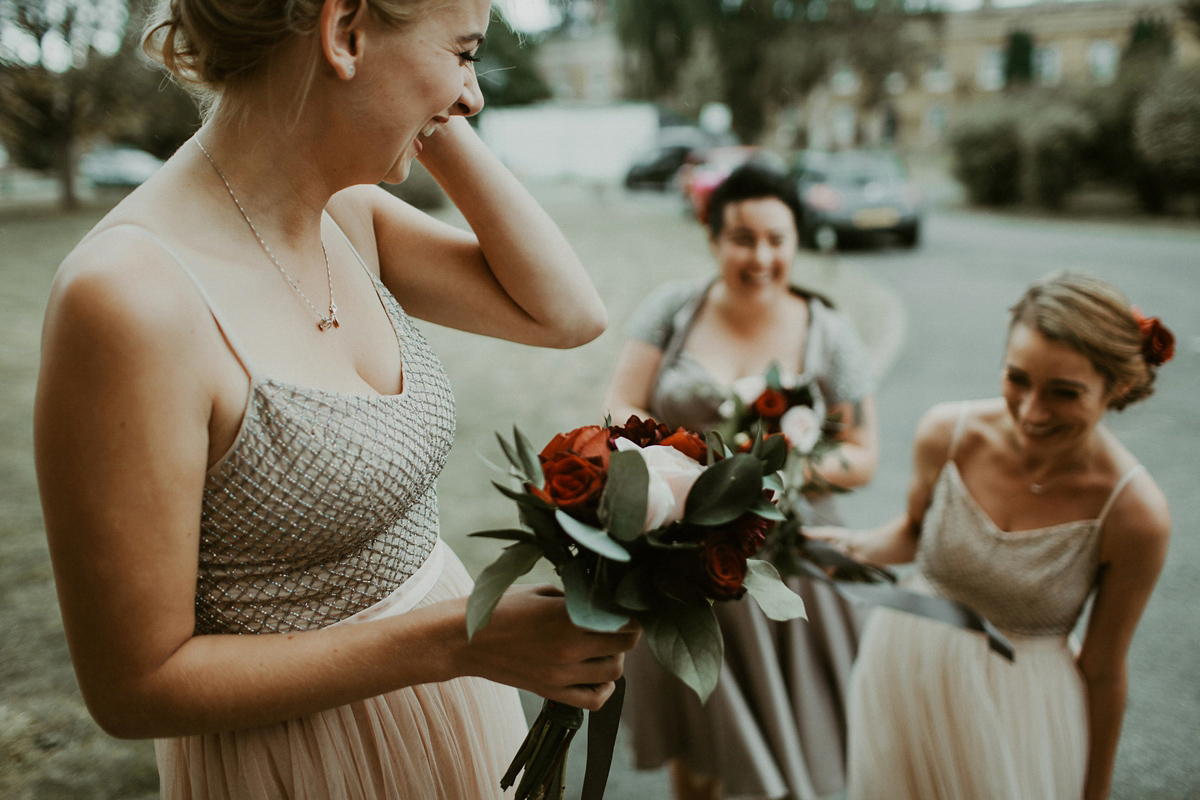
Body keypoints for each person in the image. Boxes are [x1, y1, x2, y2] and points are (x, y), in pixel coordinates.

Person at [32, 0, 641, 797]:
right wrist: (457, 643)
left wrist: (427, 102)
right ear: (345, 31)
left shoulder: (345, 215)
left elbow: (565, 314)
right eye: (466, 53)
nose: (475, 96)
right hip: (302, 763)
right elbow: (133, 687)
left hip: (455, 712)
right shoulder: (129, 299)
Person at [813, 272, 1172, 800]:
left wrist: (1095, 790)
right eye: (1017, 378)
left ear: (1116, 387)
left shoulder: (1135, 513)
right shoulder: (947, 434)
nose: (1031, 411)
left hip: (1020, 707)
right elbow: (915, 533)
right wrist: (844, 548)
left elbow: (1102, 670)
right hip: (903, 669)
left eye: (1064, 393)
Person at [603, 163, 880, 800]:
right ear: (714, 237)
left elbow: (862, 455)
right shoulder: (673, 308)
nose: (761, 256)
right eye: (742, 238)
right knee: (700, 742)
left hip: (787, 559)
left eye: (777, 239)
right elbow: (619, 407)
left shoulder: (829, 332)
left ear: (797, 241)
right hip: (679, 550)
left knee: (787, 747)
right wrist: (687, 459)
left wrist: (786, 464)